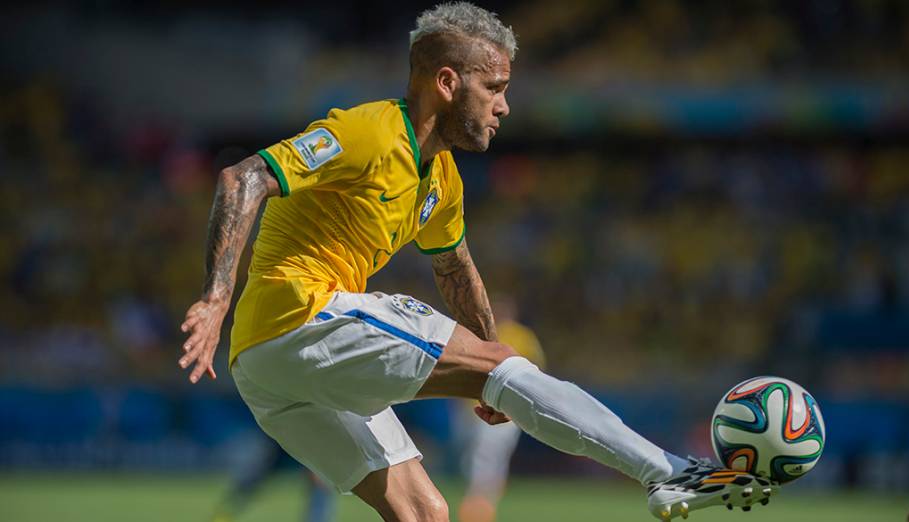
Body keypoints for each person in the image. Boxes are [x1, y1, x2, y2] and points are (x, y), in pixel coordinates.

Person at [178, 3, 777, 520]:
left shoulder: (441, 178)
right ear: (446, 82)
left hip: (269, 374)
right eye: (494, 88)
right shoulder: (367, 132)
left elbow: (455, 269)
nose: (505, 106)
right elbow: (243, 177)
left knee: (426, 512)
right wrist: (216, 296)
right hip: (300, 317)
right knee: (497, 367)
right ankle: (666, 471)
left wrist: (493, 370)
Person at [456, 295, 545, 522]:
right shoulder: (478, 333)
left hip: (506, 408)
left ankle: (481, 503)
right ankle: (481, 498)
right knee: (473, 456)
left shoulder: (521, 336)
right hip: (472, 407)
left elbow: (535, 370)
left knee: (488, 456)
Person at [210, 433, 334, 522]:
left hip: (309, 435)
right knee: (254, 476)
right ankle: (225, 515)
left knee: (319, 482)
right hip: (282, 434)